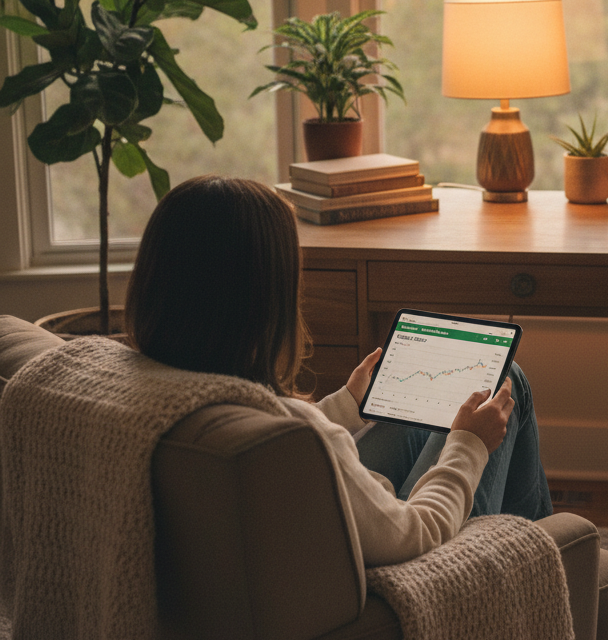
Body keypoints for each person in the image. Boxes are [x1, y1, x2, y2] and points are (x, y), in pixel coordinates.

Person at [123, 174, 552, 566]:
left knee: (433, 411)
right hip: (413, 574)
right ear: (261, 306)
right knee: (505, 378)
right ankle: (546, 562)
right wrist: (470, 446)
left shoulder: (145, 390)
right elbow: (418, 532)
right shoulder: (304, 438)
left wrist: (348, 406)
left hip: (306, 516)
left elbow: (264, 431)